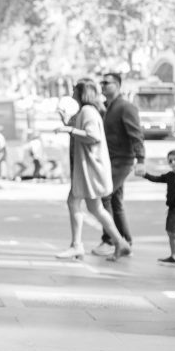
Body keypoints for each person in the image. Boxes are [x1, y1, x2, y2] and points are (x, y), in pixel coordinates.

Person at [54, 78, 131, 261]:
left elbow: (92, 136)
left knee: (75, 202)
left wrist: (68, 130)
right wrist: (68, 124)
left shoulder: (88, 111)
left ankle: (77, 245)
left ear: (81, 93)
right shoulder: (87, 111)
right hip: (89, 168)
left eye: (74, 91)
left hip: (90, 169)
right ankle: (120, 242)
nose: (72, 94)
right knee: (95, 208)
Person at [92, 73, 146, 258]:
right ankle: (125, 240)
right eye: (102, 83)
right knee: (115, 201)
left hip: (121, 161)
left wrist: (141, 160)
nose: (103, 86)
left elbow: (136, 134)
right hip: (111, 160)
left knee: (104, 196)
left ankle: (111, 240)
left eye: (107, 83)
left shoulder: (125, 107)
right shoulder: (108, 107)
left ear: (117, 85)